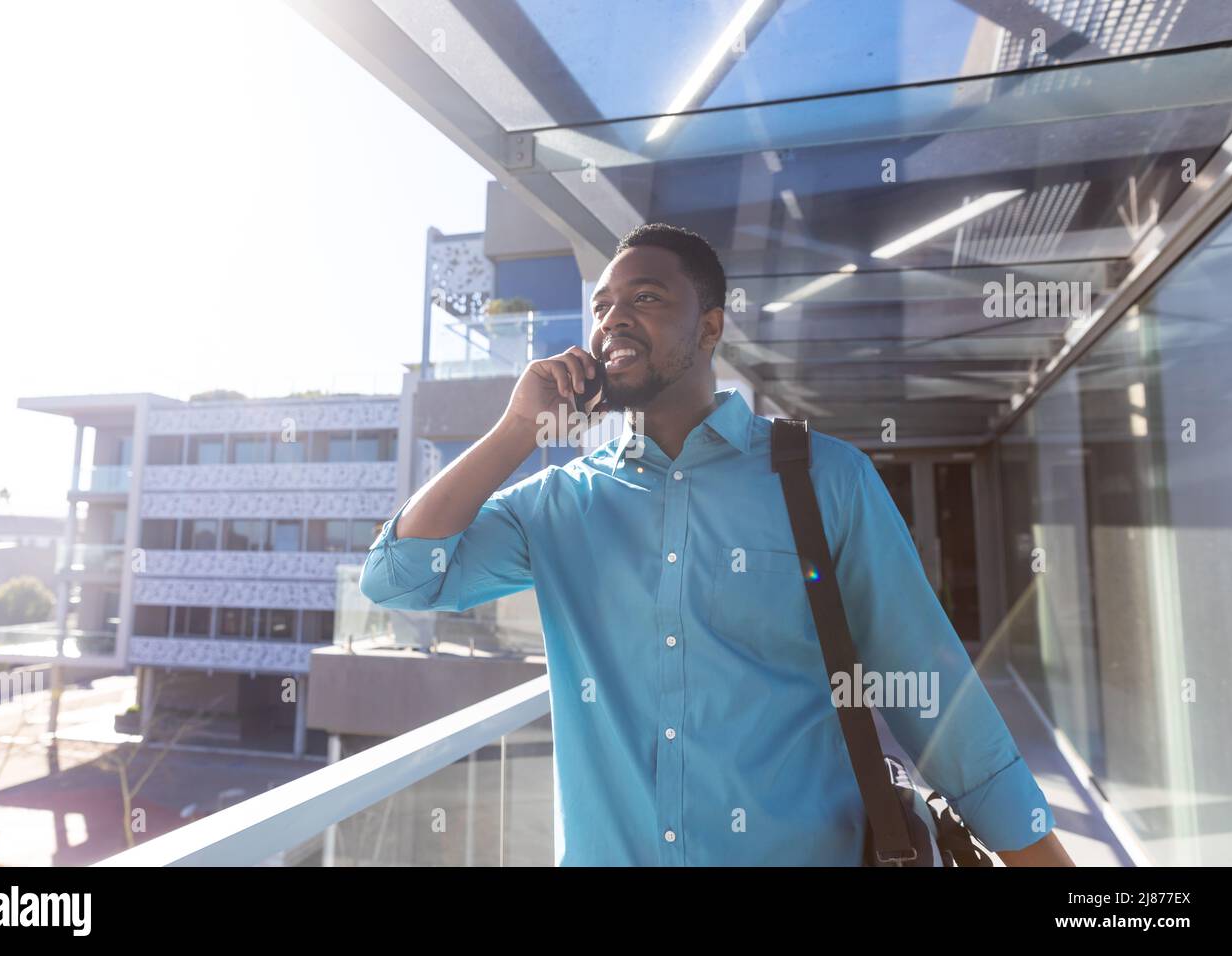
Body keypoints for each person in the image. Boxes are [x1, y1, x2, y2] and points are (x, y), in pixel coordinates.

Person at [361, 222, 1074, 867]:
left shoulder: (825, 478)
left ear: (708, 330)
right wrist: (518, 429)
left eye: (644, 298)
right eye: (604, 304)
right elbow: (398, 579)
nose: (614, 319)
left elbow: (937, 699)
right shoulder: (558, 504)